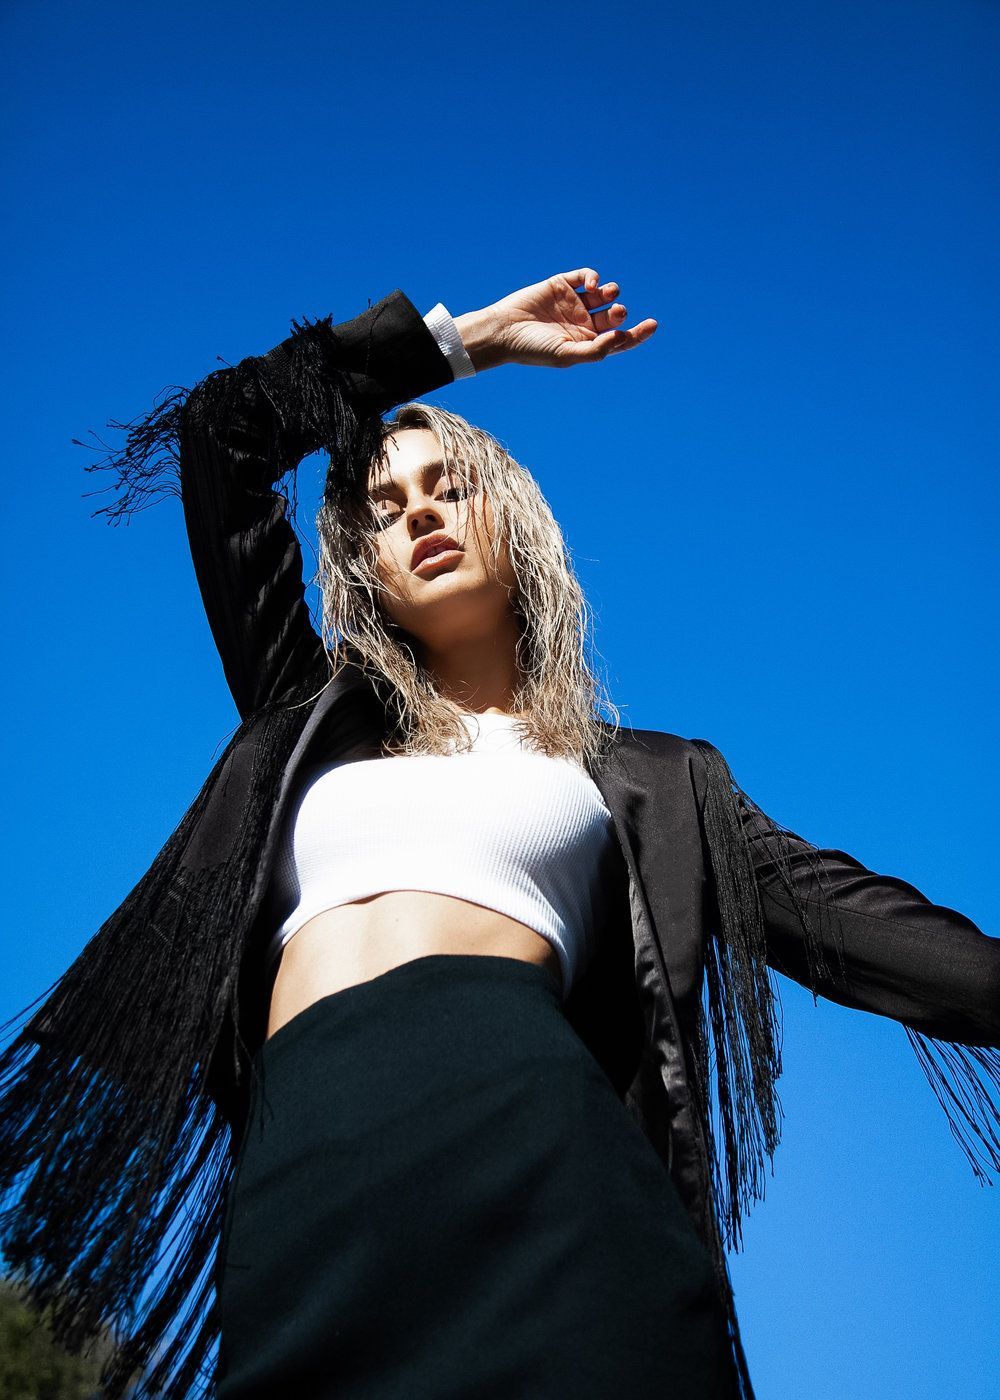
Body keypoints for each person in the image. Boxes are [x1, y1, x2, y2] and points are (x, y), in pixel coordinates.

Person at [1, 269, 997, 1400]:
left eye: (449, 485)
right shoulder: (308, 721)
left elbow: (868, 929)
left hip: (547, 1169)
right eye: (384, 506)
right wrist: (463, 343)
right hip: (304, 1181)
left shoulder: (643, 781)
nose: (418, 512)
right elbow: (222, 438)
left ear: (513, 522)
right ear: (365, 569)